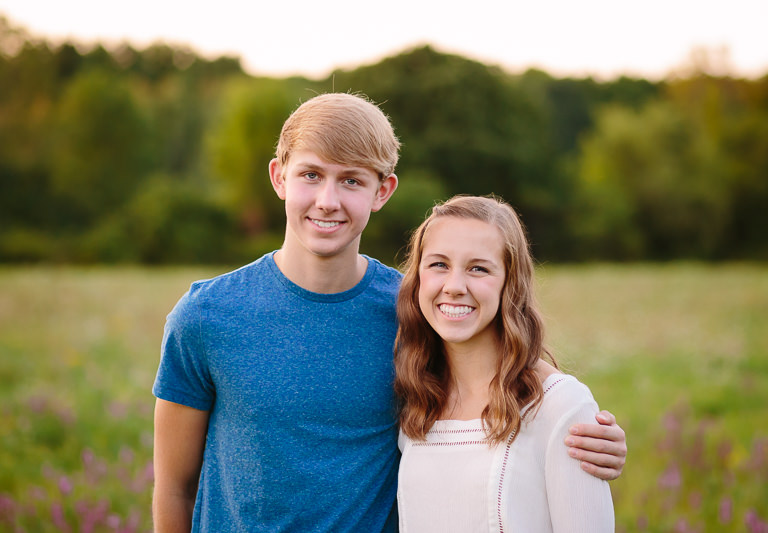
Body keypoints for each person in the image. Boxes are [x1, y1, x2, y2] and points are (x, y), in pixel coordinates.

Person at [152, 93, 625, 532]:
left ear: (382, 191)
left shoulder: (416, 311)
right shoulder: (206, 317)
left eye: (352, 180)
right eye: (311, 175)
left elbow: (501, 356)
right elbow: (175, 488)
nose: (328, 201)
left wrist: (583, 422)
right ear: (279, 177)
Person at [394, 195, 615, 532]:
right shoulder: (415, 399)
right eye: (439, 264)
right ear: (418, 277)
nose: (454, 287)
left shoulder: (560, 406)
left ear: (509, 283)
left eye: (478, 268)